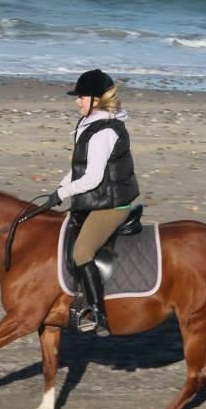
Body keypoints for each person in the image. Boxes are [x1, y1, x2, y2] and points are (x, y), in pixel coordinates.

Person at [43, 69, 140, 334]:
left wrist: (63, 194)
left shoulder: (103, 132)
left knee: (81, 252)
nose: (77, 101)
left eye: (82, 96)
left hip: (111, 205)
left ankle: (98, 314)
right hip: (97, 199)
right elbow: (81, 169)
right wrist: (60, 187)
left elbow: (93, 179)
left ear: (96, 100)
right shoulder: (90, 124)